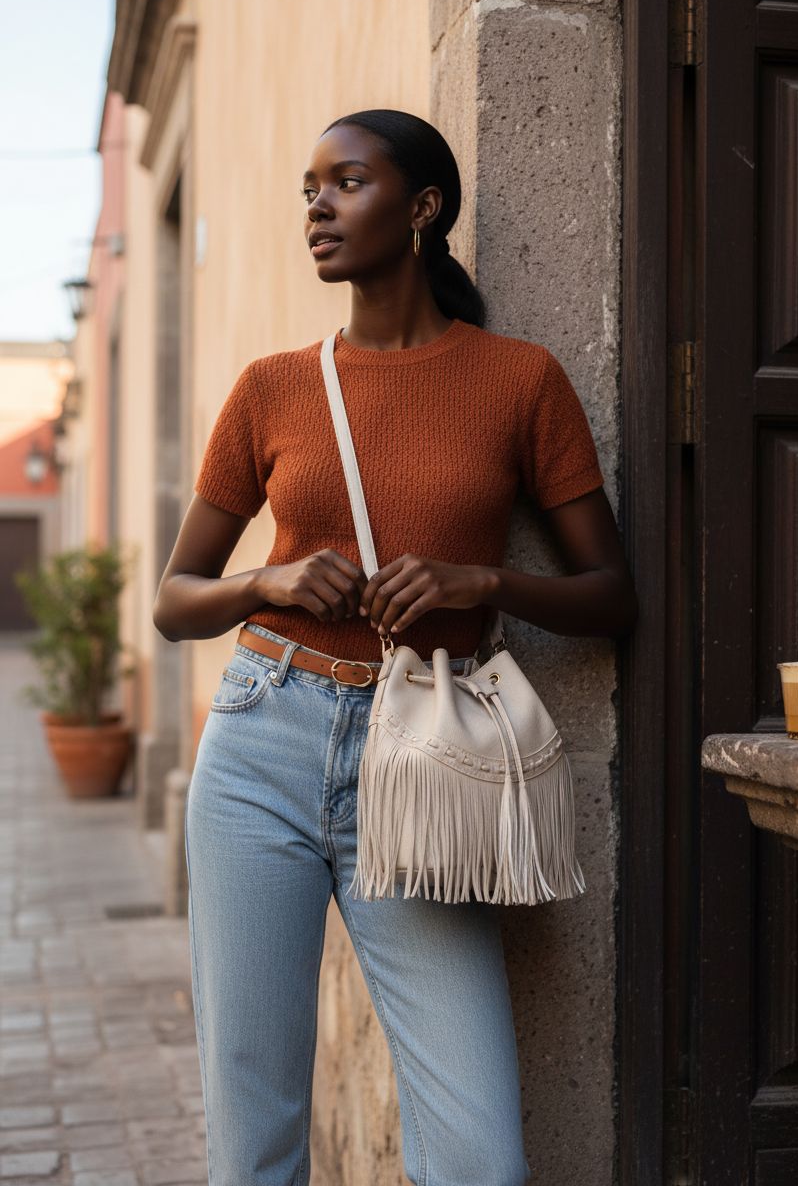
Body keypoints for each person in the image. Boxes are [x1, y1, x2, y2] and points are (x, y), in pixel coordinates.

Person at [153, 108, 638, 1186]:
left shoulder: (520, 381)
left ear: (421, 209)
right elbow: (173, 599)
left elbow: (612, 595)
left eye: (347, 182)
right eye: (308, 189)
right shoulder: (272, 386)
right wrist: (265, 582)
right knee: (254, 1124)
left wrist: (485, 581)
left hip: (421, 761)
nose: (317, 208)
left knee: (478, 1150)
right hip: (259, 741)